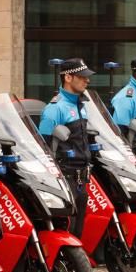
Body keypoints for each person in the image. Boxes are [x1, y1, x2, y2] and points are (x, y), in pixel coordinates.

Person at [39, 58, 94, 236]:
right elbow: (44, 147)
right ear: (68, 77)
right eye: (82, 76)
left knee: (77, 234)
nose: (87, 80)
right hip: (66, 178)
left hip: (81, 179)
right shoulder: (55, 108)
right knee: (66, 234)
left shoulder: (80, 105)